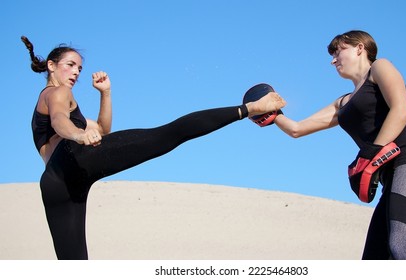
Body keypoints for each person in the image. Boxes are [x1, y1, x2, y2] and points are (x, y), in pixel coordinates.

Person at [21, 36, 286, 260]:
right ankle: (250, 108)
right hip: (71, 159)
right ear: (51, 66)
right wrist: (79, 137)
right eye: (70, 65)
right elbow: (60, 122)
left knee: (73, 265)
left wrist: (105, 93)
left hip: (56, 184)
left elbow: (102, 131)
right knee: (168, 135)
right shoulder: (56, 94)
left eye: (80, 67)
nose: (77, 72)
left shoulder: (51, 102)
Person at [272, 30, 406, 259]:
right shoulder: (343, 102)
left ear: (360, 48)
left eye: (338, 51)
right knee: (374, 259)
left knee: (404, 244)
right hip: (389, 176)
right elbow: (297, 129)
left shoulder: (379, 68)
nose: (333, 60)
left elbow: (401, 110)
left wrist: (370, 155)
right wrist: (269, 113)